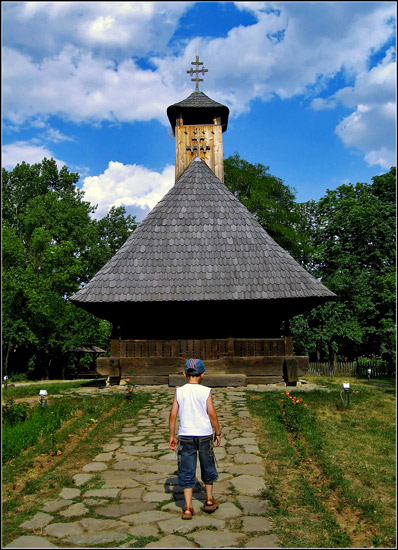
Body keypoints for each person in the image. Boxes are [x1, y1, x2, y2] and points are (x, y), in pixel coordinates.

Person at [169, 358, 221, 520]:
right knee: (207, 464)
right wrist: (217, 432)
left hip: (185, 434)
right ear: (203, 374)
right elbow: (211, 413)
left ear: (184, 374)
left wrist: (172, 435)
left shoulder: (179, 391)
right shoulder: (205, 391)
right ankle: (209, 499)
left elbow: (173, 414)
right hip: (204, 434)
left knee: (186, 468)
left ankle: (187, 507)